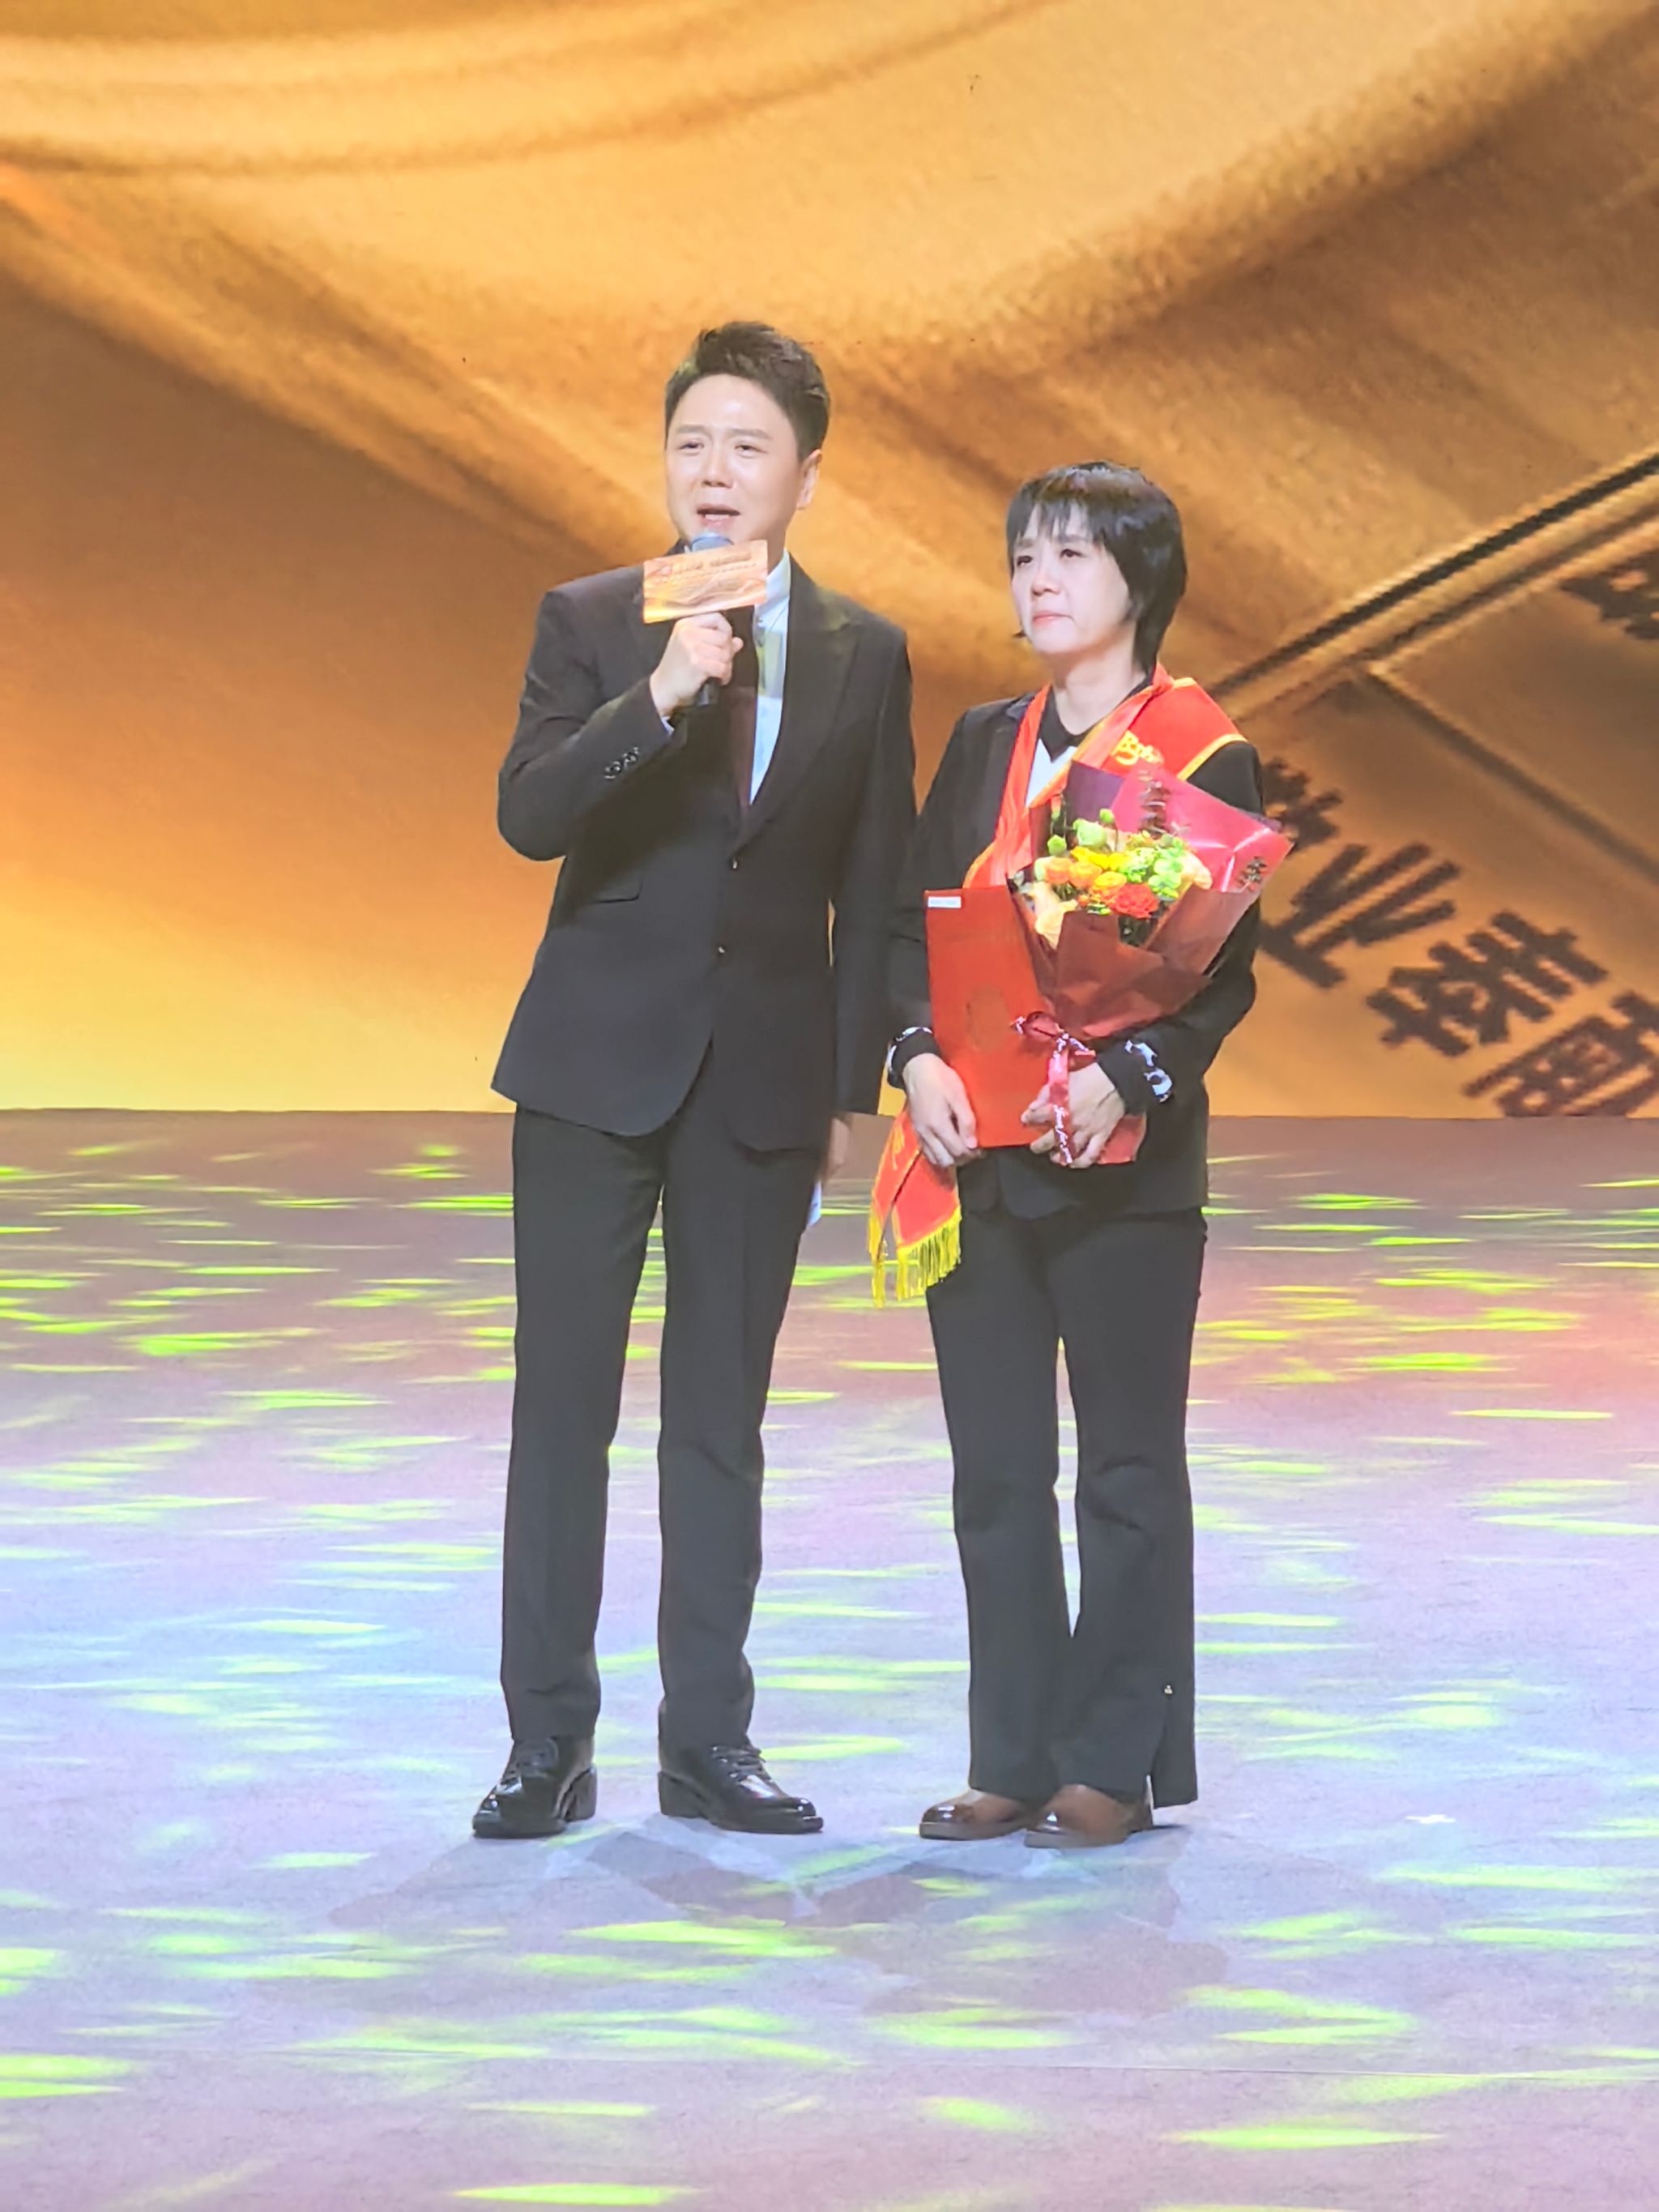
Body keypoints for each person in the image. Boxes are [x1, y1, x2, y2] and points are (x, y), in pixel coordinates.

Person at [475, 322, 915, 1838]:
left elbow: (876, 881)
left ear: (806, 473)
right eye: (691, 444)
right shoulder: (595, 618)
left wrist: (851, 1093)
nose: (714, 472)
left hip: (760, 1084)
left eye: (747, 446)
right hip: (591, 1070)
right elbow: (530, 815)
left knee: (721, 1422)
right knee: (562, 1411)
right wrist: (662, 691)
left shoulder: (867, 651)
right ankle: (546, 1741)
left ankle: (707, 1740)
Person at [885, 462, 1261, 1848]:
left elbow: (1221, 975)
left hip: (1123, 1166)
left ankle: (1112, 1761)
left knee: (1126, 1472)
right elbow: (907, 926)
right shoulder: (983, 739)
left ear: (1140, 581)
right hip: (976, 1157)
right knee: (993, 1472)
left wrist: (1127, 1076)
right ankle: (1013, 1752)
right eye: (1025, 557)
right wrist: (914, 1056)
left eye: (1072, 555)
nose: (1039, 579)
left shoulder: (1200, 751)